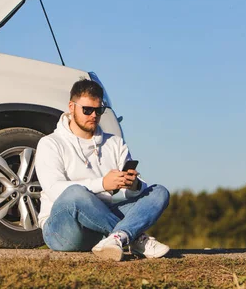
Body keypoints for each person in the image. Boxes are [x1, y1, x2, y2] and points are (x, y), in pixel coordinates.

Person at [35, 78, 170, 261]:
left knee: (159, 192)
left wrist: (134, 185)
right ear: (71, 107)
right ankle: (133, 237)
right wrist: (102, 184)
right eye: (87, 110)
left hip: (100, 224)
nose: (93, 115)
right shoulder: (50, 143)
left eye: (99, 110)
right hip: (64, 229)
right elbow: (53, 190)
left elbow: (134, 192)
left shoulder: (114, 143)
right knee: (75, 193)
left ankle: (117, 237)